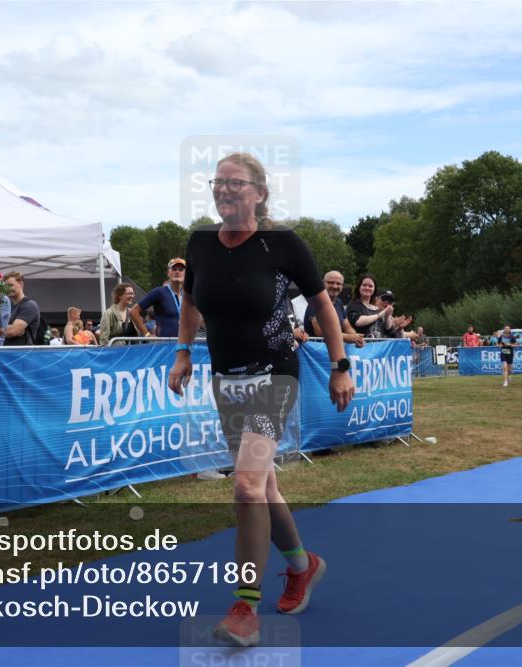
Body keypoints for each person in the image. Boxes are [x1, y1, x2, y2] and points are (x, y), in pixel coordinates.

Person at [168, 152, 354, 647]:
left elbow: (322, 304)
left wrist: (340, 366)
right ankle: (302, 565)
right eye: (217, 182)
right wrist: (183, 352)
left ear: (260, 193)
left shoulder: (283, 243)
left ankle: (245, 608)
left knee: (247, 486)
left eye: (235, 183)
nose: (223, 190)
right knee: (264, 488)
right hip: (226, 379)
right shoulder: (201, 242)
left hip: (275, 373)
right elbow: (190, 302)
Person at [303, 270, 364, 347]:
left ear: (342, 286)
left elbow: (347, 327)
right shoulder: (316, 302)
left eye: (338, 283)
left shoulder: (339, 302)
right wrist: (348, 337)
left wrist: (357, 338)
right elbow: (320, 331)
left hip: (334, 349)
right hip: (316, 351)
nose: (335, 286)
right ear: (323, 283)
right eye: (331, 282)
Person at [130, 258, 186, 338]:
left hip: (184, 343)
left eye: (181, 270)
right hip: (164, 343)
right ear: (168, 273)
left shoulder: (187, 296)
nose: (177, 272)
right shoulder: (159, 292)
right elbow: (133, 311)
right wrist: (147, 335)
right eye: (174, 269)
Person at [4, 272, 45, 346]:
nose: (8, 288)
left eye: (11, 285)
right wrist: (7, 329)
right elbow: (10, 331)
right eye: (6, 286)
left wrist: (0, 330)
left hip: (23, 351)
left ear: (21, 284)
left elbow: (12, 332)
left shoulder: (29, 305)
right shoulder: (9, 306)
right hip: (8, 351)